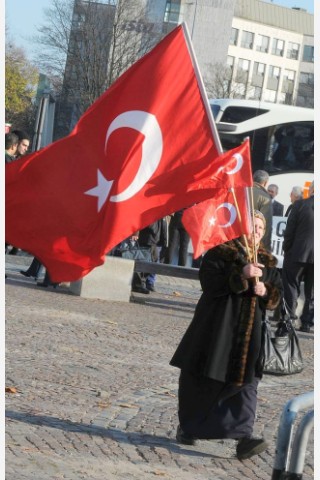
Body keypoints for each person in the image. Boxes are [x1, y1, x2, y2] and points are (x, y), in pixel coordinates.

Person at [170, 211, 282, 460]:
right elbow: (209, 283)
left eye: (261, 228)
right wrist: (241, 275)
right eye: (253, 226)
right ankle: (189, 427)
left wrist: (266, 291)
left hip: (249, 336)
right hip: (216, 329)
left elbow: (277, 294)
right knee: (203, 380)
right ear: (241, 227)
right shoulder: (222, 252)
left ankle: (244, 437)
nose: (257, 232)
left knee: (246, 383)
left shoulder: (267, 261)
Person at [282, 182, 314, 332]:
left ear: (311, 189)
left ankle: (289, 319)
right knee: (312, 291)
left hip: (297, 253)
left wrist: (287, 249)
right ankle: (307, 323)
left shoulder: (300, 205)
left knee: (291, 286)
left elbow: (289, 230)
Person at [132, 218, 168, 294]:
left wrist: (164, 241)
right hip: (148, 237)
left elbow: (164, 224)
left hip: (155, 239)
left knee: (154, 261)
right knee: (144, 261)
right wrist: (136, 233)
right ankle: (139, 284)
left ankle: (148, 282)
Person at [252, 170, 273, 251]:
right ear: (265, 183)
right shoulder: (265, 198)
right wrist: (266, 248)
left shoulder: (240, 192)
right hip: (253, 244)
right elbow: (266, 225)